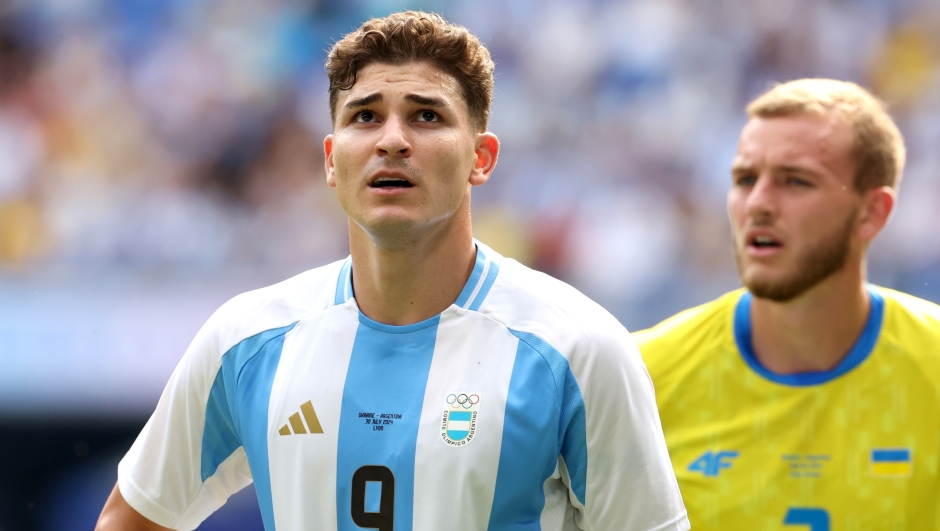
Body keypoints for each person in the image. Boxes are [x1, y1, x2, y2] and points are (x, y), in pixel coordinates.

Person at [96, 11, 689, 531]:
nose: (393, 140)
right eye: (364, 117)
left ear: (480, 159)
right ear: (332, 160)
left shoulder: (577, 348)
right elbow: (135, 517)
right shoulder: (247, 340)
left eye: (427, 116)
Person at [634, 78, 940, 530]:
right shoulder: (641, 375)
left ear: (872, 212)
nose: (758, 204)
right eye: (744, 179)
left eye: (796, 181)